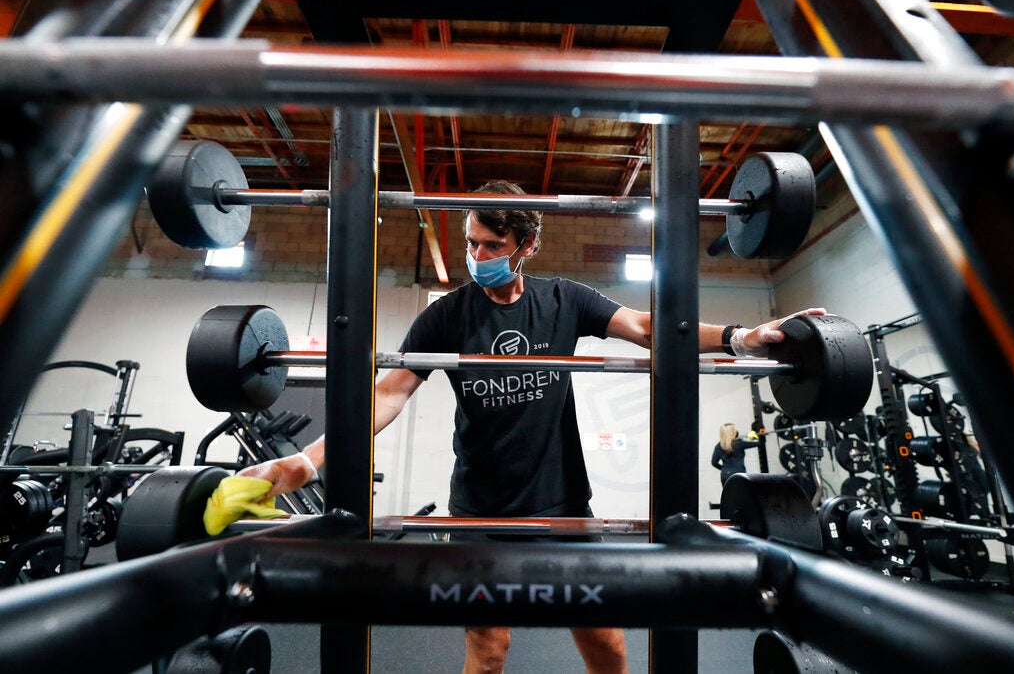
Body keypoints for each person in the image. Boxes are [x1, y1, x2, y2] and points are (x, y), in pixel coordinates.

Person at [240, 179, 826, 674]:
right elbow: (387, 395)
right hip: (480, 510)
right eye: (471, 243)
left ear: (526, 245)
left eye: (492, 245)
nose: (478, 256)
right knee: (488, 646)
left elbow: (651, 329)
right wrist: (308, 460)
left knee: (606, 641)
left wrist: (739, 337)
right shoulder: (445, 316)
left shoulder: (564, 301)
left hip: (562, 504)